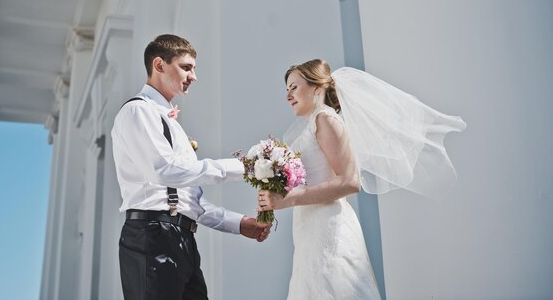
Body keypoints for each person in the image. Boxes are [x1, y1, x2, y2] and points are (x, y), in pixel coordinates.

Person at [257, 59, 466, 300]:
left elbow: (350, 182)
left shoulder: (325, 119)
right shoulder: (312, 126)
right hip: (309, 230)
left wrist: (288, 200)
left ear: (317, 87)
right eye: (287, 90)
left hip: (328, 228)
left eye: (294, 87)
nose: (288, 95)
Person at [111, 34, 270, 300]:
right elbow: (165, 170)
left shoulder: (171, 122)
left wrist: (239, 224)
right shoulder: (138, 111)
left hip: (182, 238)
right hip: (152, 235)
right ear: (159, 65)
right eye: (186, 67)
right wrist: (243, 167)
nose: (193, 76)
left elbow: (188, 200)